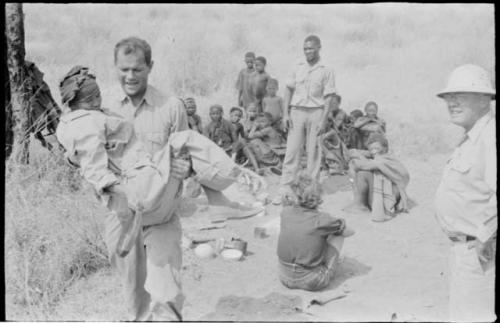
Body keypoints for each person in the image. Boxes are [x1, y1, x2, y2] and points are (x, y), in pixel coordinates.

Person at [58, 66, 249, 321]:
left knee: (165, 282)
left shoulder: (111, 112)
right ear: (78, 101)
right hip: (133, 195)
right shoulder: (85, 120)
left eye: (98, 94)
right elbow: (92, 164)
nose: (97, 99)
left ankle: (224, 192)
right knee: (131, 278)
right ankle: (229, 187)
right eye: (91, 97)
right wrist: (118, 189)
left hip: (151, 197)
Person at [102, 37, 260, 320]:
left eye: (137, 69)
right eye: (124, 69)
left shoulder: (171, 107)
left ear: (150, 67)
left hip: (161, 217)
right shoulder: (103, 109)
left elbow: (190, 157)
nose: (130, 76)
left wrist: (185, 170)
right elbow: (88, 156)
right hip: (122, 218)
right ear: (115, 67)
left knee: (166, 296)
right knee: (134, 298)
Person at [434, 64, 496, 323]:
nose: (452, 102)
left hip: (479, 253)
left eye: (460, 94)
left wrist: (484, 235)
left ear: (484, 98)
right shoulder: (472, 137)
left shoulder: (489, 138)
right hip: (463, 250)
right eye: (449, 96)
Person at [280, 35, 339, 201]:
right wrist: (285, 114)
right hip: (297, 111)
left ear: (319, 48)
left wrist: (324, 119)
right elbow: (288, 90)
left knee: (313, 153)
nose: (308, 51)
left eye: (311, 48)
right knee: (292, 151)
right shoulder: (297, 66)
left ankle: (310, 192)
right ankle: (286, 190)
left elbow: (328, 97)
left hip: (316, 112)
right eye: (305, 48)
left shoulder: (326, 69)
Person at [277, 170, 355, 291]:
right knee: (338, 234)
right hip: (310, 281)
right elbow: (350, 232)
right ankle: (326, 267)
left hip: (284, 276)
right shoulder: (322, 219)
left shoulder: (285, 212)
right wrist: (335, 227)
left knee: (307, 234)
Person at [344, 132, 411, 222]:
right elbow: (370, 155)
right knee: (361, 167)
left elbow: (363, 165)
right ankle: (359, 202)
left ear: (385, 148)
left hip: (387, 202)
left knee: (362, 172)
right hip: (389, 197)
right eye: (372, 149)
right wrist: (363, 152)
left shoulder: (384, 160)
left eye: (377, 148)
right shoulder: (386, 159)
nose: (374, 151)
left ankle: (360, 205)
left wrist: (356, 155)